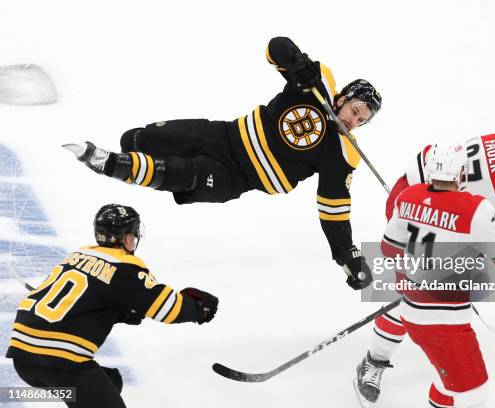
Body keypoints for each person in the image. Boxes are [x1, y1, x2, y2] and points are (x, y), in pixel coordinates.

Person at [62, 37, 379, 291]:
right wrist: (297, 62)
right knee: (136, 139)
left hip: (236, 177)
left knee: (184, 175)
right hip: (222, 135)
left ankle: (111, 165)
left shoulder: (344, 154)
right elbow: (275, 46)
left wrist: (345, 254)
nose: (354, 122)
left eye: (362, 120)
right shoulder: (317, 80)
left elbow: (334, 210)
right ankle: (126, 157)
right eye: (354, 111)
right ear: (343, 97)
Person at [354, 133, 495, 407]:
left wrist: (421, 203)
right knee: (425, 294)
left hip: (410, 196)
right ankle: (382, 360)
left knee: (414, 290)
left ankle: (381, 356)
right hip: (444, 216)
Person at [5, 204, 219, 408]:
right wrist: (199, 308)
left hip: (23, 359)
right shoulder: (125, 267)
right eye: (133, 234)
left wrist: (118, 311)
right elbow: (168, 308)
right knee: (95, 392)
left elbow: (80, 301)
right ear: (126, 237)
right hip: (63, 363)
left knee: (110, 383)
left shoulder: (78, 254)